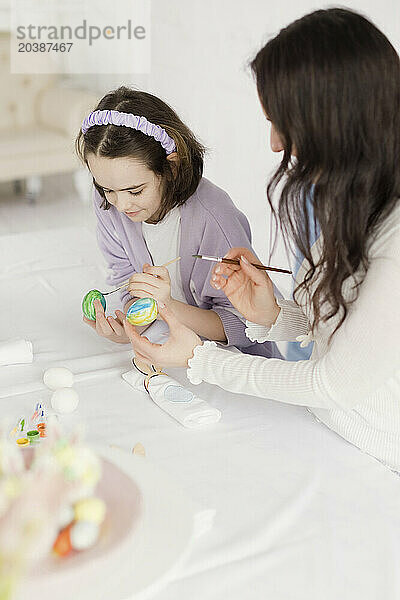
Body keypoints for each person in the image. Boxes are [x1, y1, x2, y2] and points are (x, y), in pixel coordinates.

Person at [125, 8, 400, 472]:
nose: (275, 144)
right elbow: (350, 338)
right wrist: (271, 313)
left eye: (282, 124)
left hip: (376, 459)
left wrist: (201, 359)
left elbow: (336, 382)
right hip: (330, 432)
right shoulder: (351, 199)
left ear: (335, 120)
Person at [75, 87, 282, 359]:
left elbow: (248, 326)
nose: (121, 205)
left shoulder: (215, 219)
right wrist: (131, 324)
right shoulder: (109, 200)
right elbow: (125, 275)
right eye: (106, 189)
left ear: (171, 168)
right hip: (170, 348)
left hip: (237, 364)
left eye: (135, 191)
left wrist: (167, 305)